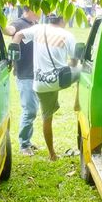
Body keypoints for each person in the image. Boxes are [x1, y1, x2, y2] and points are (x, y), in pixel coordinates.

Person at [12, 14, 78, 161]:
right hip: (60, 81)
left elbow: (18, 35)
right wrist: (70, 68)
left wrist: (14, 52)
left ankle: (52, 154)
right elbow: (74, 62)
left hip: (40, 84)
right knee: (83, 71)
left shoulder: (38, 29)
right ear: (63, 19)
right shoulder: (67, 35)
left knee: (47, 118)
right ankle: (77, 103)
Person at [4, 7, 40, 156]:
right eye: (40, 8)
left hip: (36, 73)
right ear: (31, 8)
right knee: (29, 110)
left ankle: (28, 141)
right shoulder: (19, 23)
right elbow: (10, 30)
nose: (42, 11)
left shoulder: (35, 24)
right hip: (25, 74)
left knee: (33, 109)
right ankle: (24, 144)